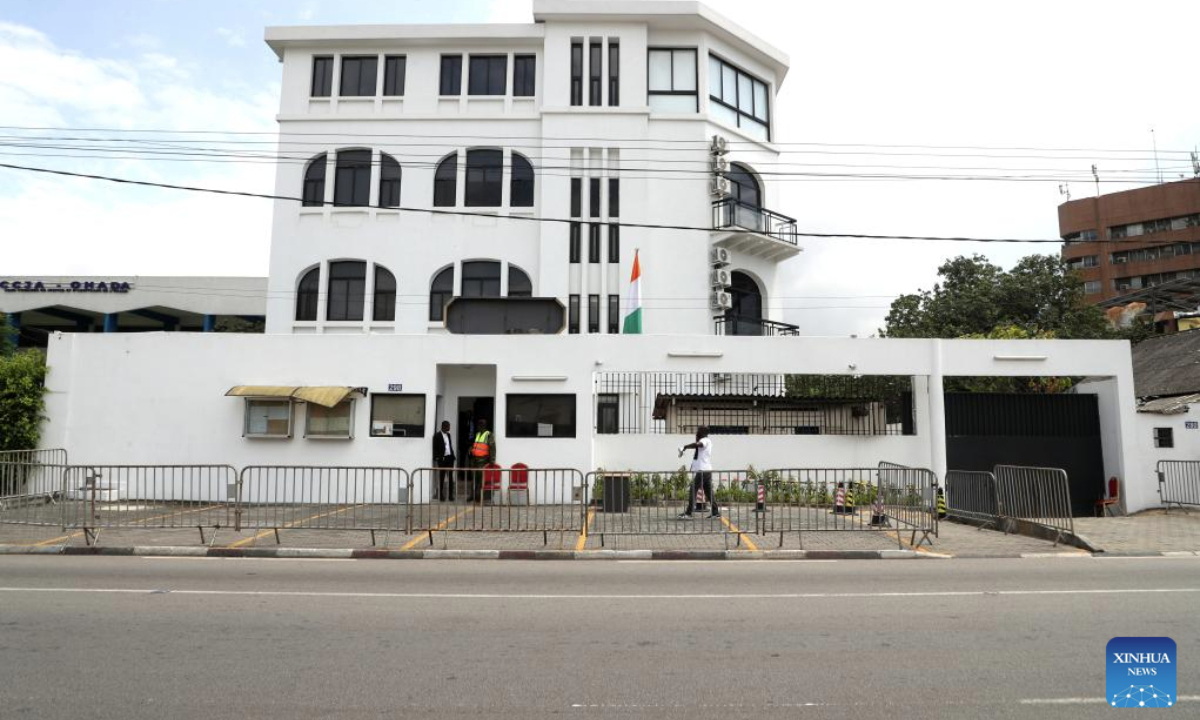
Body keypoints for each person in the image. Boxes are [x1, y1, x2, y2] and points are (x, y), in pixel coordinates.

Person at [677, 426, 719, 519]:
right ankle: (715, 512)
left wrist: (685, 447)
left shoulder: (705, 440)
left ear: (703, 432)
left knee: (693, 489)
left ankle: (688, 513)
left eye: (698, 431)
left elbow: (698, 444)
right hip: (705, 470)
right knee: (708, 492)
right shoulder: (704, 440)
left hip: (703, 470)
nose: (697, 432)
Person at [467, 417, 496, 502]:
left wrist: (492, 461)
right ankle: (472, 495)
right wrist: (471, 449)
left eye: (480, 425)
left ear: (483, 425)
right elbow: (476, 445)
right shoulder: (478, 434)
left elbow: (492, 448)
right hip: (474, 460)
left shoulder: (489, 434)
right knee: (473, 479)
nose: (478, 426)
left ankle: (478, 496)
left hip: (482, 460)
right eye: (479, 425)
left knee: (480, 479)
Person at [431, 420, 456, 501]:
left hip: (450, 458)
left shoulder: (448, 435)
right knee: (441, 477)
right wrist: (436, 457)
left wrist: (452, 455)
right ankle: (441, 495)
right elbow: (435, 448)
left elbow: (449, 446)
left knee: (450, 478)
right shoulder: (437, 436)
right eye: (448, 426)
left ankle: (450, 495)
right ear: (444, 426)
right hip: (442, 459)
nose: (449, 428)